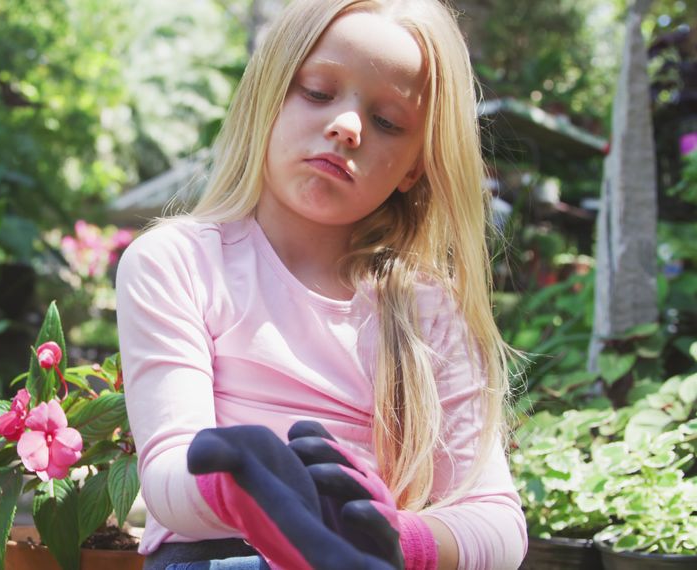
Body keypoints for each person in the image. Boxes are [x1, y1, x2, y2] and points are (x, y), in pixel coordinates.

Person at [114, 0, 528, 568]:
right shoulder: (177, 263)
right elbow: (167, 481)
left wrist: (391, 537)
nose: (347, 126)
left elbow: (498, 523)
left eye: (387, 122)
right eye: (316, 91)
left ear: (415, 167)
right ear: (269, 96)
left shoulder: (428, 310)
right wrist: (248, 486)